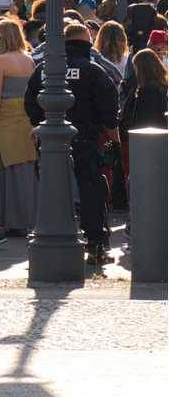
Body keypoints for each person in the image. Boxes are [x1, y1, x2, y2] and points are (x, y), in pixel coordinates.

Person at [25, 22, 121, 265]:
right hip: (86, 138)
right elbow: (109, 107)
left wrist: (40, 125)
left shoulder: (44, 69)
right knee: (91, 190)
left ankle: (50, 237)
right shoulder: (93, 70)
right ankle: (95, 242)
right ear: (86, 43)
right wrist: (114, 139)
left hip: (49, 140)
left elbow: (30, 101)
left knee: (51, 188)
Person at [0, 17, 38, 238]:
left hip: (6, 117)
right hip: (25, 117)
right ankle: (27, 218)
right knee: (24, 169)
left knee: (7, 169)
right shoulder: (29, 60)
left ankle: (10, 220)